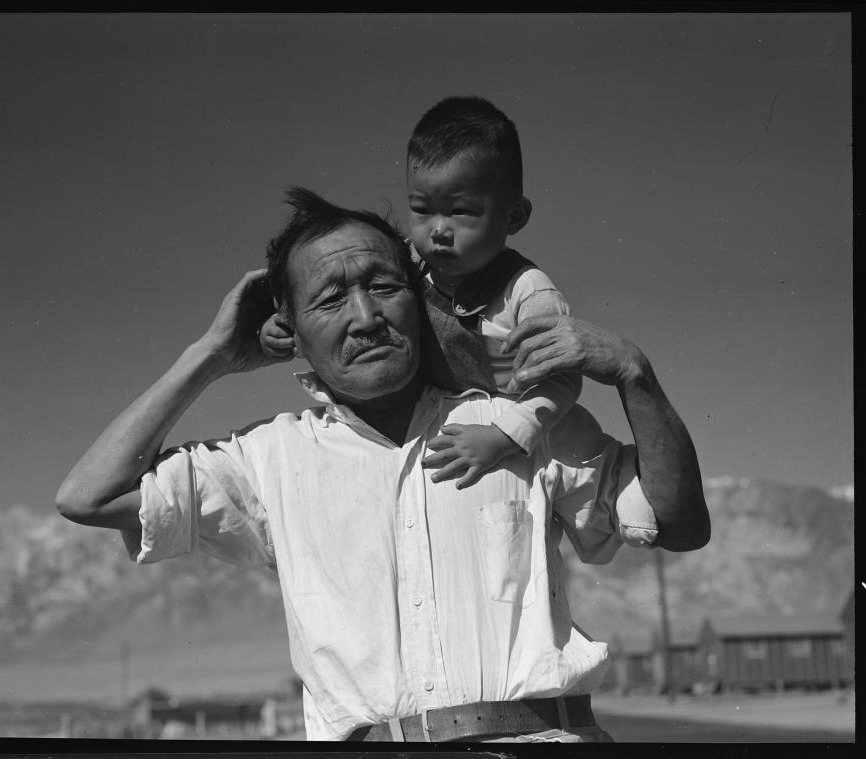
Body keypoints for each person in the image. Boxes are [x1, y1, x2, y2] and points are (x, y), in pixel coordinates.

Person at [56, 188, 710, 742]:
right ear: (291, 328)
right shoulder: (267, 461)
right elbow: (87, 495)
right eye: (331, 298)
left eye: (383, 285)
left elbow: (677, 523)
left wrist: (633, 373)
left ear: (419, 299)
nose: (365, 317)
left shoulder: (517, 423)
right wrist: (213, 353)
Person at [260, 96, 581, 490]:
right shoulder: (411, 263)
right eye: (422, 210)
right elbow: (346, 314)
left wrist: (503, 436)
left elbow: (561, 382)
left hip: (523, 429)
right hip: (434, 424)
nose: (438, 230)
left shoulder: (528, 291)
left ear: (514, 217)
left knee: (634, 511)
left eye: (460, 212)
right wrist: (280, 331)